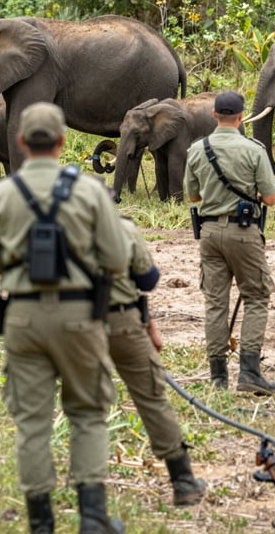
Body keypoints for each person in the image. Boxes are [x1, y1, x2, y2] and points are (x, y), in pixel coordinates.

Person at [0, 102, 129, 534]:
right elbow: (117, 258)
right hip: (80, 312)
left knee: (32, 421)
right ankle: (93, 517)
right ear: (62, 142)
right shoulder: (90, 191)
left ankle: (40, 520)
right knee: (87, 412)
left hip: (22, 316)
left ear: (20, 141)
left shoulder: (2, 195)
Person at [183, 90, 275, 394]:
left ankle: (218, 377)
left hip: (209, 234)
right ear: (241, 119)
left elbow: (193, 196)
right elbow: (271, 198)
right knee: (257, 295)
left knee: (215, 303)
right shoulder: (254, 149)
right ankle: (249, 372)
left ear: (214, 115)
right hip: (244, 231)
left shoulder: (198, 149)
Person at [107, 215, 206, 506]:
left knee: (85, 404)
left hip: (73, 324)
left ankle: (88, 497)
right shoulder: (121, 226)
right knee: (152, 394)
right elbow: (148, 280)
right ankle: (183, 480)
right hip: (121, 320)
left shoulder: (57, 229)